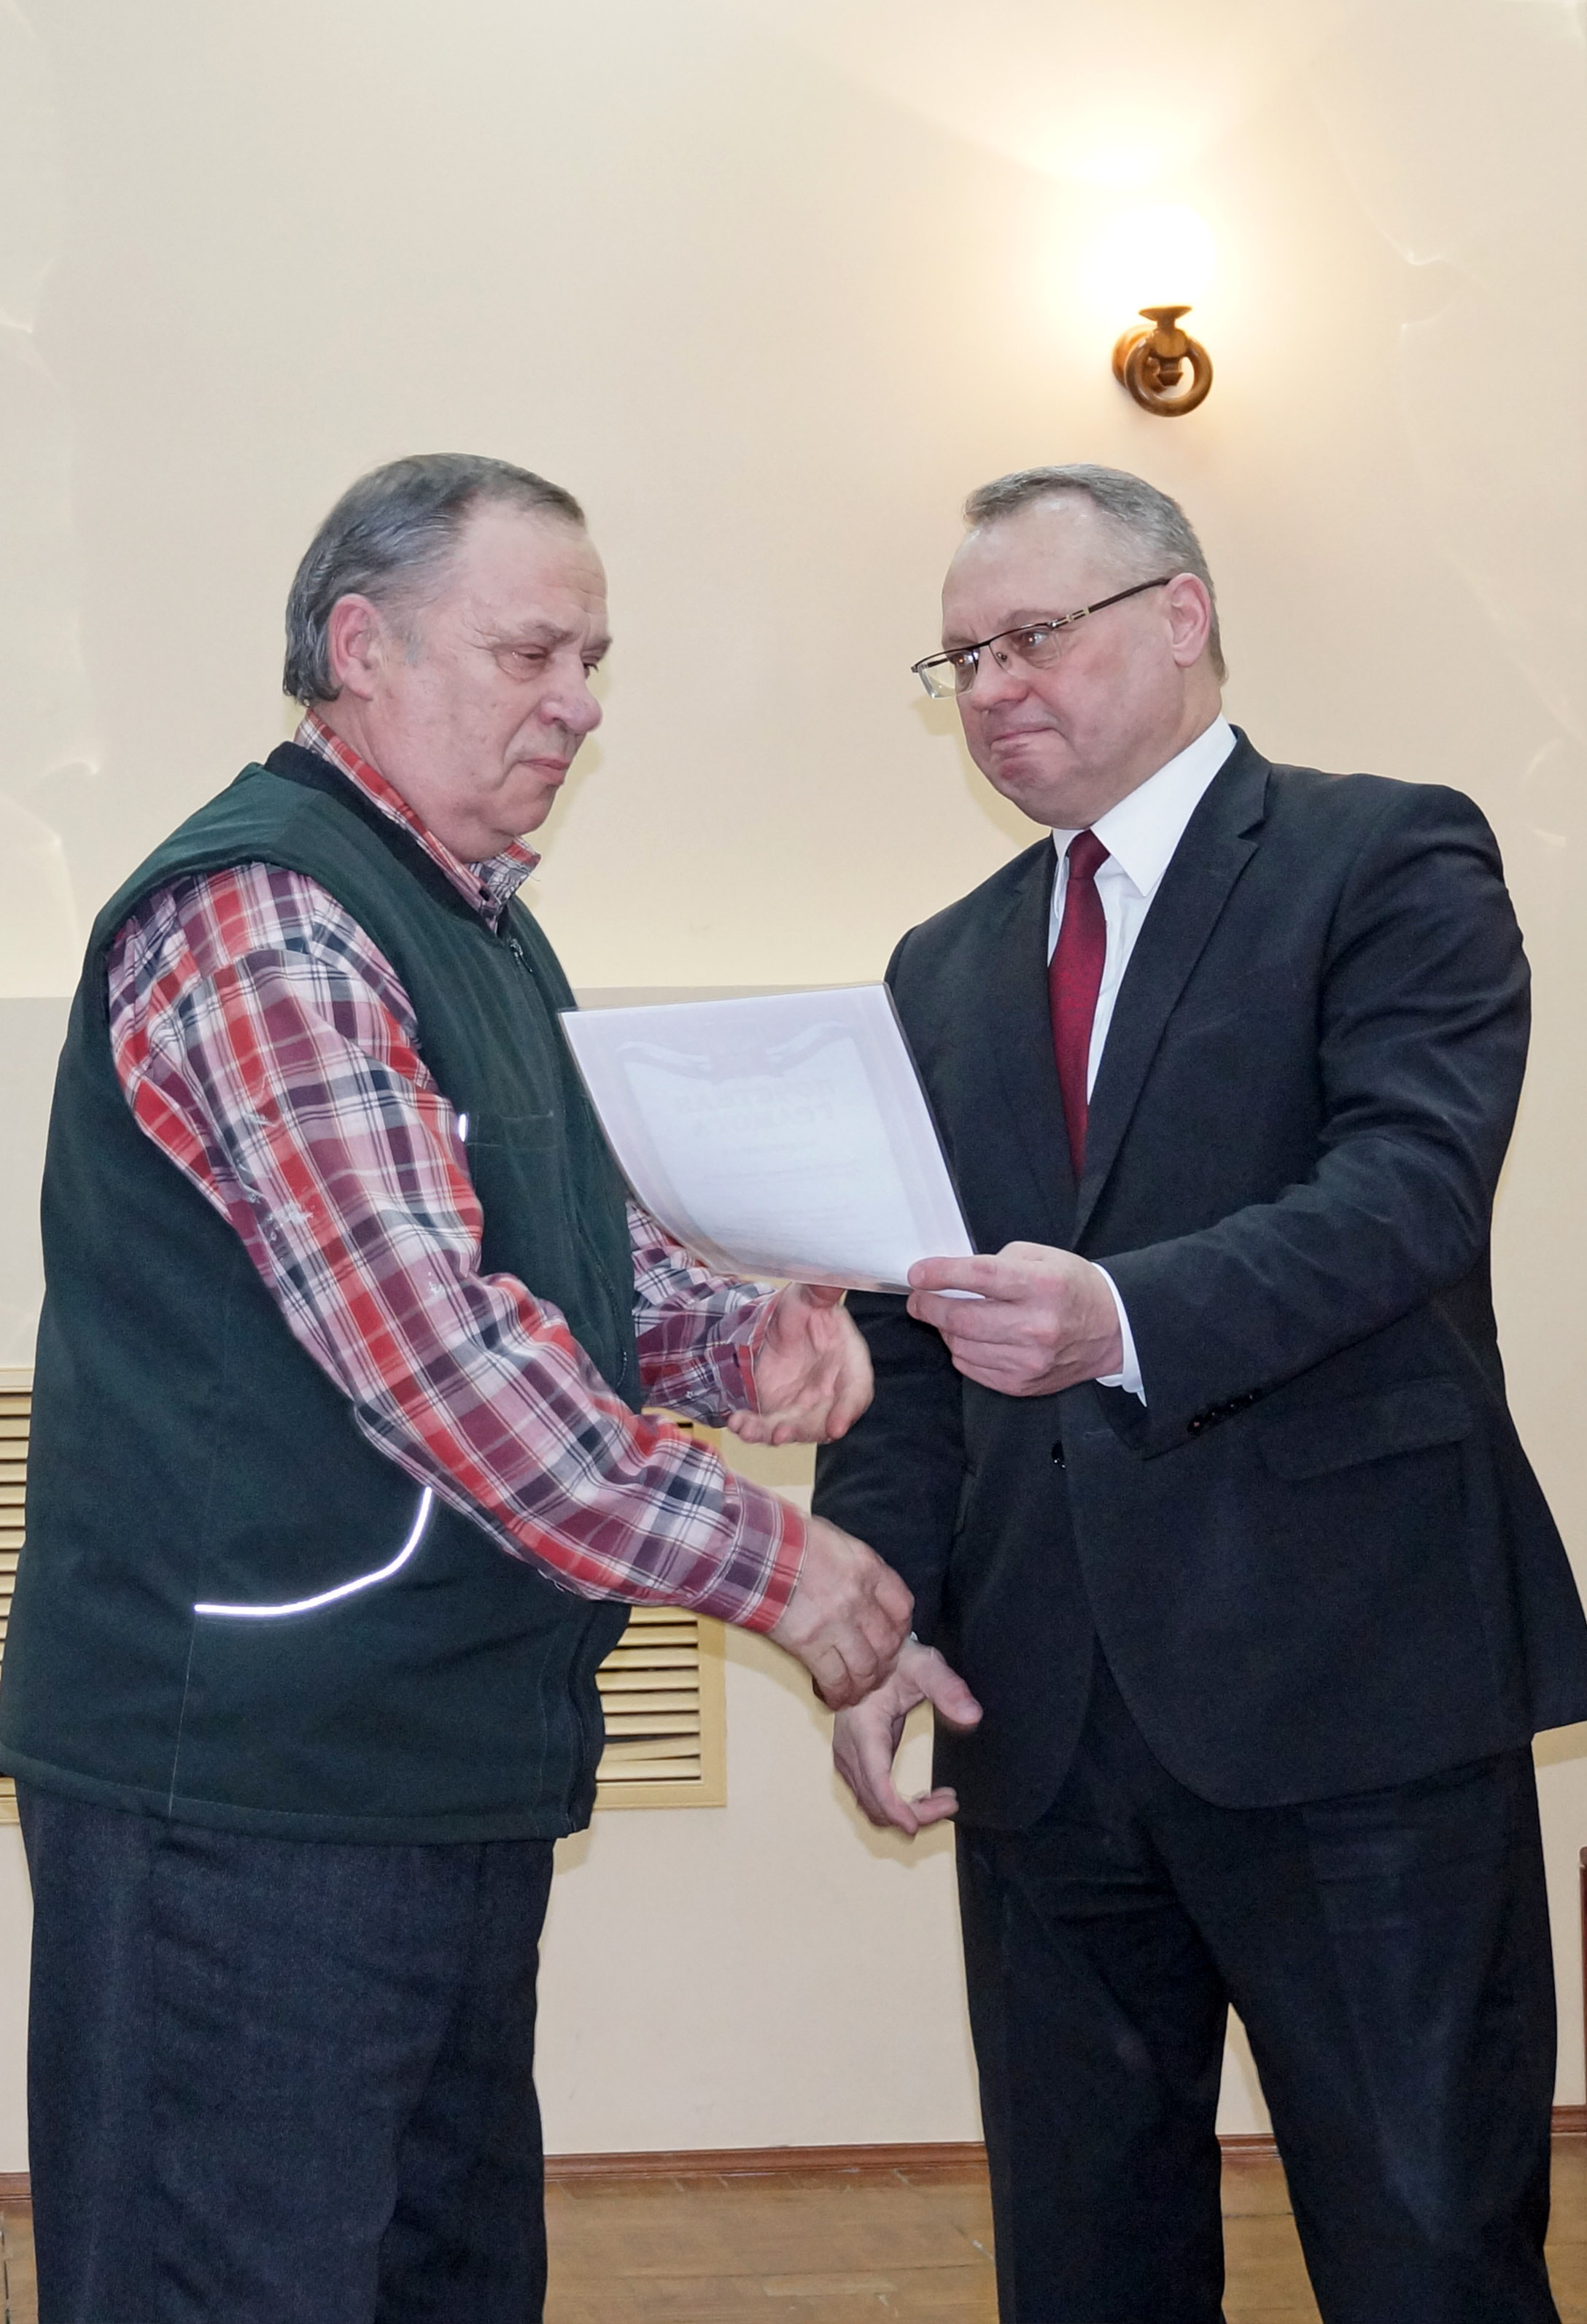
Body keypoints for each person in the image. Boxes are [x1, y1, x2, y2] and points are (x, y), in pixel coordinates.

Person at [0, 452, 912, 2324]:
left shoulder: (476, 918)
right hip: (251, 1796)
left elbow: (558, 1250)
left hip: (424, 1768)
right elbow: (440, 1358)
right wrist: (780, 1567)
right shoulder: (269, 919)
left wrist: (731, 1339)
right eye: (529, 653)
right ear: (362, 647)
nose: (578, 704)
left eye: (592, 660)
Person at [813, 463, 1587, 2324]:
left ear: (1181, 616)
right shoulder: (940, 964)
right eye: (958, 660)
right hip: (1038, 1723)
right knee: (1081, 2270)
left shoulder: (1383, 857)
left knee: (1423, 2258)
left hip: (1352, 1699)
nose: (992, 687)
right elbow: (900, 1322)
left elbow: (1404, 1194)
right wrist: (878, 1605)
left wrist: (1118, 1317)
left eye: (1031, 636)